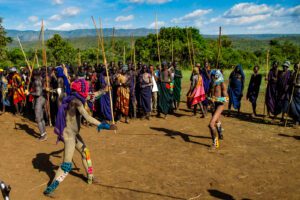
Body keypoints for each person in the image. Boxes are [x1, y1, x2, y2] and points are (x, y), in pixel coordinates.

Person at [44, 79, 117, 196]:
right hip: (69, 136)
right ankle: (50, 189)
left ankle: (90, 176)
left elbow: (92, 95)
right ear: (81, 90)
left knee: (85, 153)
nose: (86, 91)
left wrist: (104, 90)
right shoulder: (76, 102)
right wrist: (105, 126)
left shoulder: (73, 97)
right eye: (85, 88)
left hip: (73, 134)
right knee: (67, 165)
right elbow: (88, 118)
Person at [208, 70, 228, 149]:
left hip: (220, 105)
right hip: (214, 105)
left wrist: (215, 99)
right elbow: (209, 94)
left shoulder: (222, 84)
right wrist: (209, 99)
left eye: (212, 76)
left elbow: (226, 99)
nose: (212, 78)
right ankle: (220, 133)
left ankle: (215, 143)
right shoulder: (211, 84)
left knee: (211, 124)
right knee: (216, 120)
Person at [26, 69, 48, 141]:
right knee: (41, 118)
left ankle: (42, 136)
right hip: (43, 99)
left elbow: (38, 93)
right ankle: (44, 133)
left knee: (38, 118)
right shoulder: (41, 79)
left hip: (39, 99)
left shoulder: (36, 81)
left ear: (35, 75)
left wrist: (29, 93)